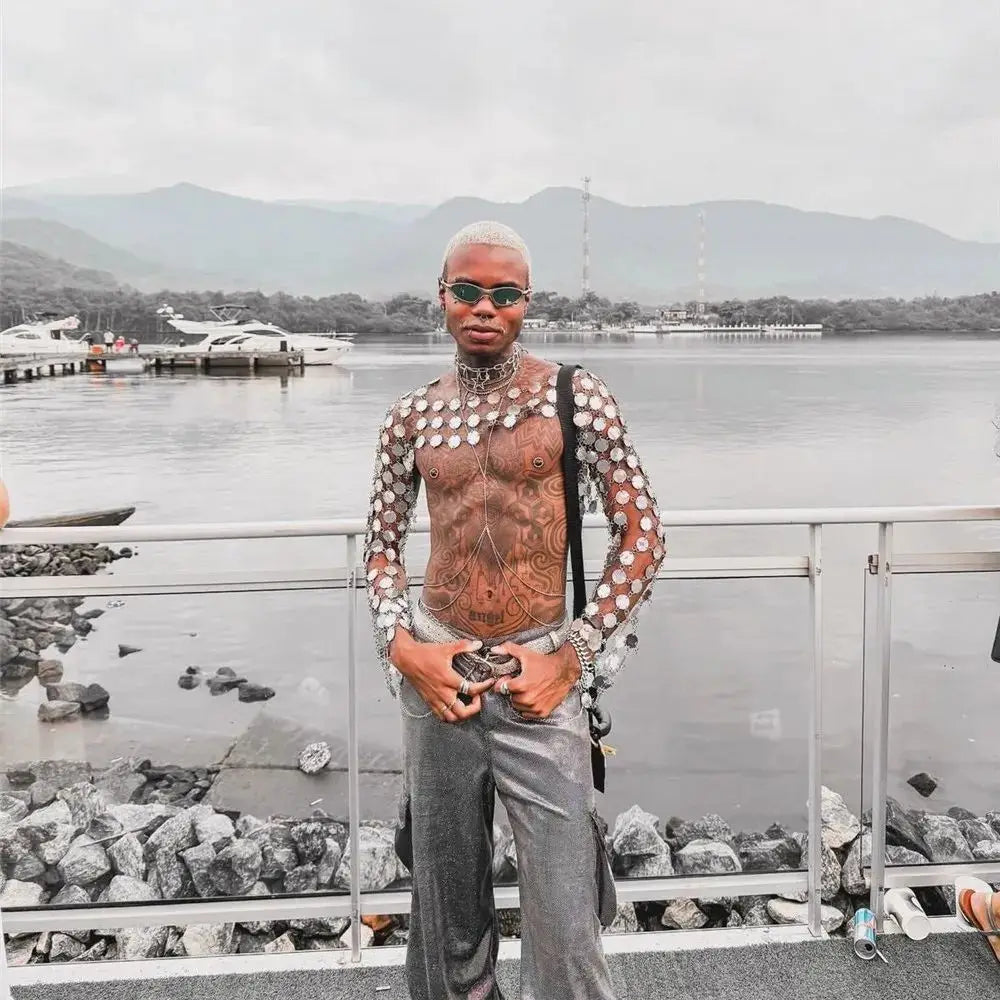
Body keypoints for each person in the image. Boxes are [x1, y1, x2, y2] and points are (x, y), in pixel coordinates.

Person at [363, 221, 666, 1000]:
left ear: (527, 304)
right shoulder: (410, 416)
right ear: (441, 297)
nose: (484, 307)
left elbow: (643, 533)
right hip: (440, 676)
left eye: (504, 294)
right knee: (444, 912)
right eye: (467, 290)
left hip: (541, 672)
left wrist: (574, 656)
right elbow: (380, 547)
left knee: (566, 921)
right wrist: (403, 648)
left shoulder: (573, 396)